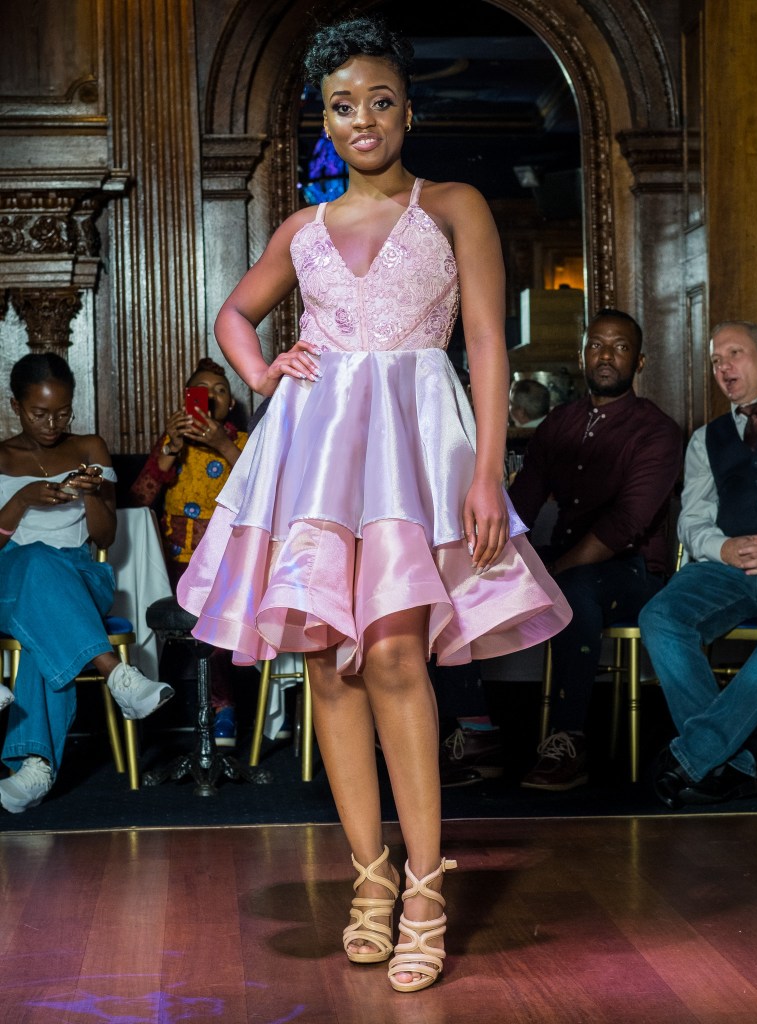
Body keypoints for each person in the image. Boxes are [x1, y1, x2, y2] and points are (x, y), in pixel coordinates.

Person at [177, 16, 571, 993]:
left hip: (413, 452)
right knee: (326, 660)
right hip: (315, 455)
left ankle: (425, 889)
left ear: (408, 111)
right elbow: (233, 313)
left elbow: (488, 343)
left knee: (394, 654)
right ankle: (369, 874)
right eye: (343, 105)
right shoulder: (301, 229)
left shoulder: (455, 206)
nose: (363, 119)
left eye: (380, 101)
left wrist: (488, 471)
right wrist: (261, 369)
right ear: (324, 120)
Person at [639, 320, 757, 808]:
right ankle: (734, 761)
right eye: (716, 360)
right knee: (661, 616)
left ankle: (698, 755)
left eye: (734, 354)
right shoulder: (706, 439)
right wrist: (725, 549)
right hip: (728, 570)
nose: (723, 368)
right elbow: (693, 520)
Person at [507, 308, 683, 790]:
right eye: (597, 345)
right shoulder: (560, 423)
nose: (606, 356)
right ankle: (473, 728)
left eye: (620, 347)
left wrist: (552, 569)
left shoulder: (657, 431)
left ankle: (569, 739)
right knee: (455, 579)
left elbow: (624, 524)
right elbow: (521, 504)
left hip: (634, 572)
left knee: (575, 586)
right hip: (567, 561)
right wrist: (496, 557)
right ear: (583, 354)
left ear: (639, 361)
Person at [0, 352, 174, 814]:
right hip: (8, 581)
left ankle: (37, 763)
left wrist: (94, 493)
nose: (52, 424)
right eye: (39, 413)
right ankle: (116, 674)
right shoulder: (1, 456)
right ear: (15, 406)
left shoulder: (89, 448)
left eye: (63, 412)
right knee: (34, 565)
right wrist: (21, 500)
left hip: (80, 576)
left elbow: (105, 537)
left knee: (43, 613)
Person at [130, 357, 248, 746]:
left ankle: (224, 708)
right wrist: (170, 447)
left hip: (227, 561)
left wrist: (222, 445)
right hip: (172, 563)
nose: (211, 397)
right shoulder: (172, 444)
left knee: (215, 625)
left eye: (220, 390)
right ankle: (155, 708)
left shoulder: (243, 444)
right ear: (187, 400)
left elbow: (261, 490)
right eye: (202, 390)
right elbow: (139, 498)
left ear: (231, 404)